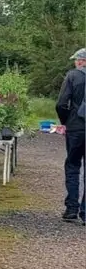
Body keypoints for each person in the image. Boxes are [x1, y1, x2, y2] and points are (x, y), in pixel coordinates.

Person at [55, 49, 86, 221]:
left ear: (82, 61)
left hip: (75, 127)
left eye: (76, 60)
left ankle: (72, 209)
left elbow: (61, 103)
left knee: (73, 166)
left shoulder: (72, 76)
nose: (75, 62)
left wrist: (65, 121)